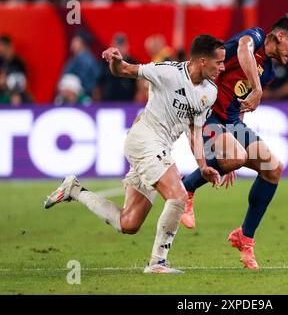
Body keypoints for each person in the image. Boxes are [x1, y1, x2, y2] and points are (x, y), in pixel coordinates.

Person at [43, 34, 226, 274]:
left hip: (161, 147)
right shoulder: (168, 72)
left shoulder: (209, 92)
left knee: (128, 223)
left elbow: (194, 131)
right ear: (203, 61)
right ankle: (158, 263)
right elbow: (125, 71)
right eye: (219, 62)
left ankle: (74, 190)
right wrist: (115, 60)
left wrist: (202, 166)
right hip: (145, 139)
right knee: (179, 196)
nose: (222, 67)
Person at [180, 14, 288, 269]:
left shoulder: (269, 70)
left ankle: (245, 238)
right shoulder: (255, 37)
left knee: (274, 169)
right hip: (207, 114)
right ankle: (187, 187)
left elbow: (241, 103)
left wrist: (226, 159)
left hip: (231, 121)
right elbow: (243, 50)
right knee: (234, 157)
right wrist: (258, 89)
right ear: (281, 36)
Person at [98, 33, 138, 101]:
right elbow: (99, 83)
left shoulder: (133, 62)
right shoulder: (105, 63)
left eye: (122, 46)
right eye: (117, 46)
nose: (119, 49)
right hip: (108, 102)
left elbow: (139, 84)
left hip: (128, 103)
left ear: (127, 47)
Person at [62, 29, 101, 96]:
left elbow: (86, 83)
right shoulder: (77, 58)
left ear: (82, 43)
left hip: (81, 98)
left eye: (75, 40)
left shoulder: (85, 60)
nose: (72, 43)